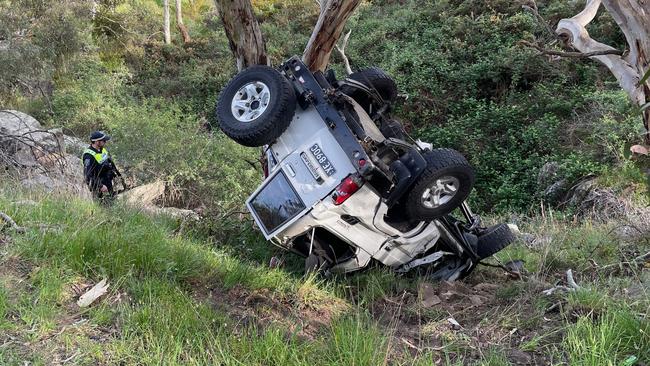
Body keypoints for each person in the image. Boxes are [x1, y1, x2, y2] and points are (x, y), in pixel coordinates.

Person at [82, 131, 118, 203]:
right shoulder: (88, 156)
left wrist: (116, 174)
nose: (105, 142)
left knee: (112, 202)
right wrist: (100, 186)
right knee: (104, 206)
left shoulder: (102, 149)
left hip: (107, 181)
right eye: (103, 140)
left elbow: (109, 162)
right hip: (99, 185)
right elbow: (88, 175)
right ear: (96, 142)